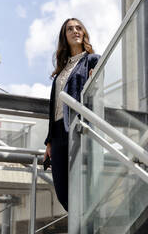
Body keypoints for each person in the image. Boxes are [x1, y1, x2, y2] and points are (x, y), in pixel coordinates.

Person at [44, 18, 100, 211]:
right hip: (58, 132)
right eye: (70, 29)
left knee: (82, 186)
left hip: (77, 127)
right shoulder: (60, 71)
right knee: (61, 190)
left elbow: (98, 92)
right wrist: (49, 141)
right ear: (65, 37)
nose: (75, 31)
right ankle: (80, 222)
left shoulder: (92, 60)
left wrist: (96, 81)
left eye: (78, 28)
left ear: (83, 33)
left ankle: (86, 225)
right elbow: (54, 108)